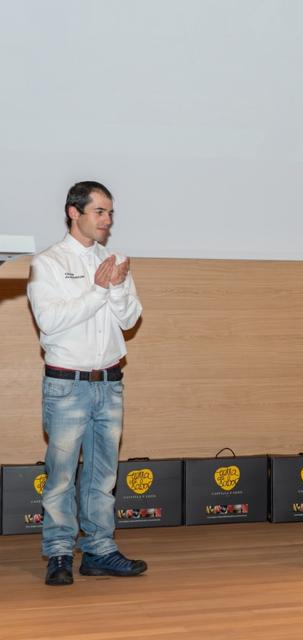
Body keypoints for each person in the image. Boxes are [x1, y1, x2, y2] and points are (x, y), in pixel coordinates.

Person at [27, 181, 146, 586]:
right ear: (73, 212)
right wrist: (98, 289)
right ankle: (59, 552)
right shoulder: (48, 263)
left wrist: (115, 288)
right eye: (100, 212)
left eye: (110, 213)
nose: (107, 220)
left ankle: (100, 550)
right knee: (61, 475)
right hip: (67, 385)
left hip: (109, 382)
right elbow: (51, 320)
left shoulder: (115, 261)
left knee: (102, 475)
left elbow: (129, 320)